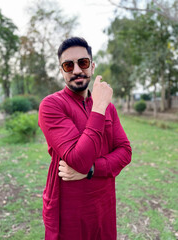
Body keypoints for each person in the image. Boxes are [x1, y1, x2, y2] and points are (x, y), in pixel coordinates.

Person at [38, 37, 132, 240]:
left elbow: (125, 151)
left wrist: (91, 170)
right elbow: (77, 159)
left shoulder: (109, 107)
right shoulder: (52, 105)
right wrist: (99, 107)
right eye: (68, 65)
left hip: (104, 207)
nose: (77, 70)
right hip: (69, 212)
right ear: (61, 71)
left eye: (83, 62)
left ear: (92, 65)